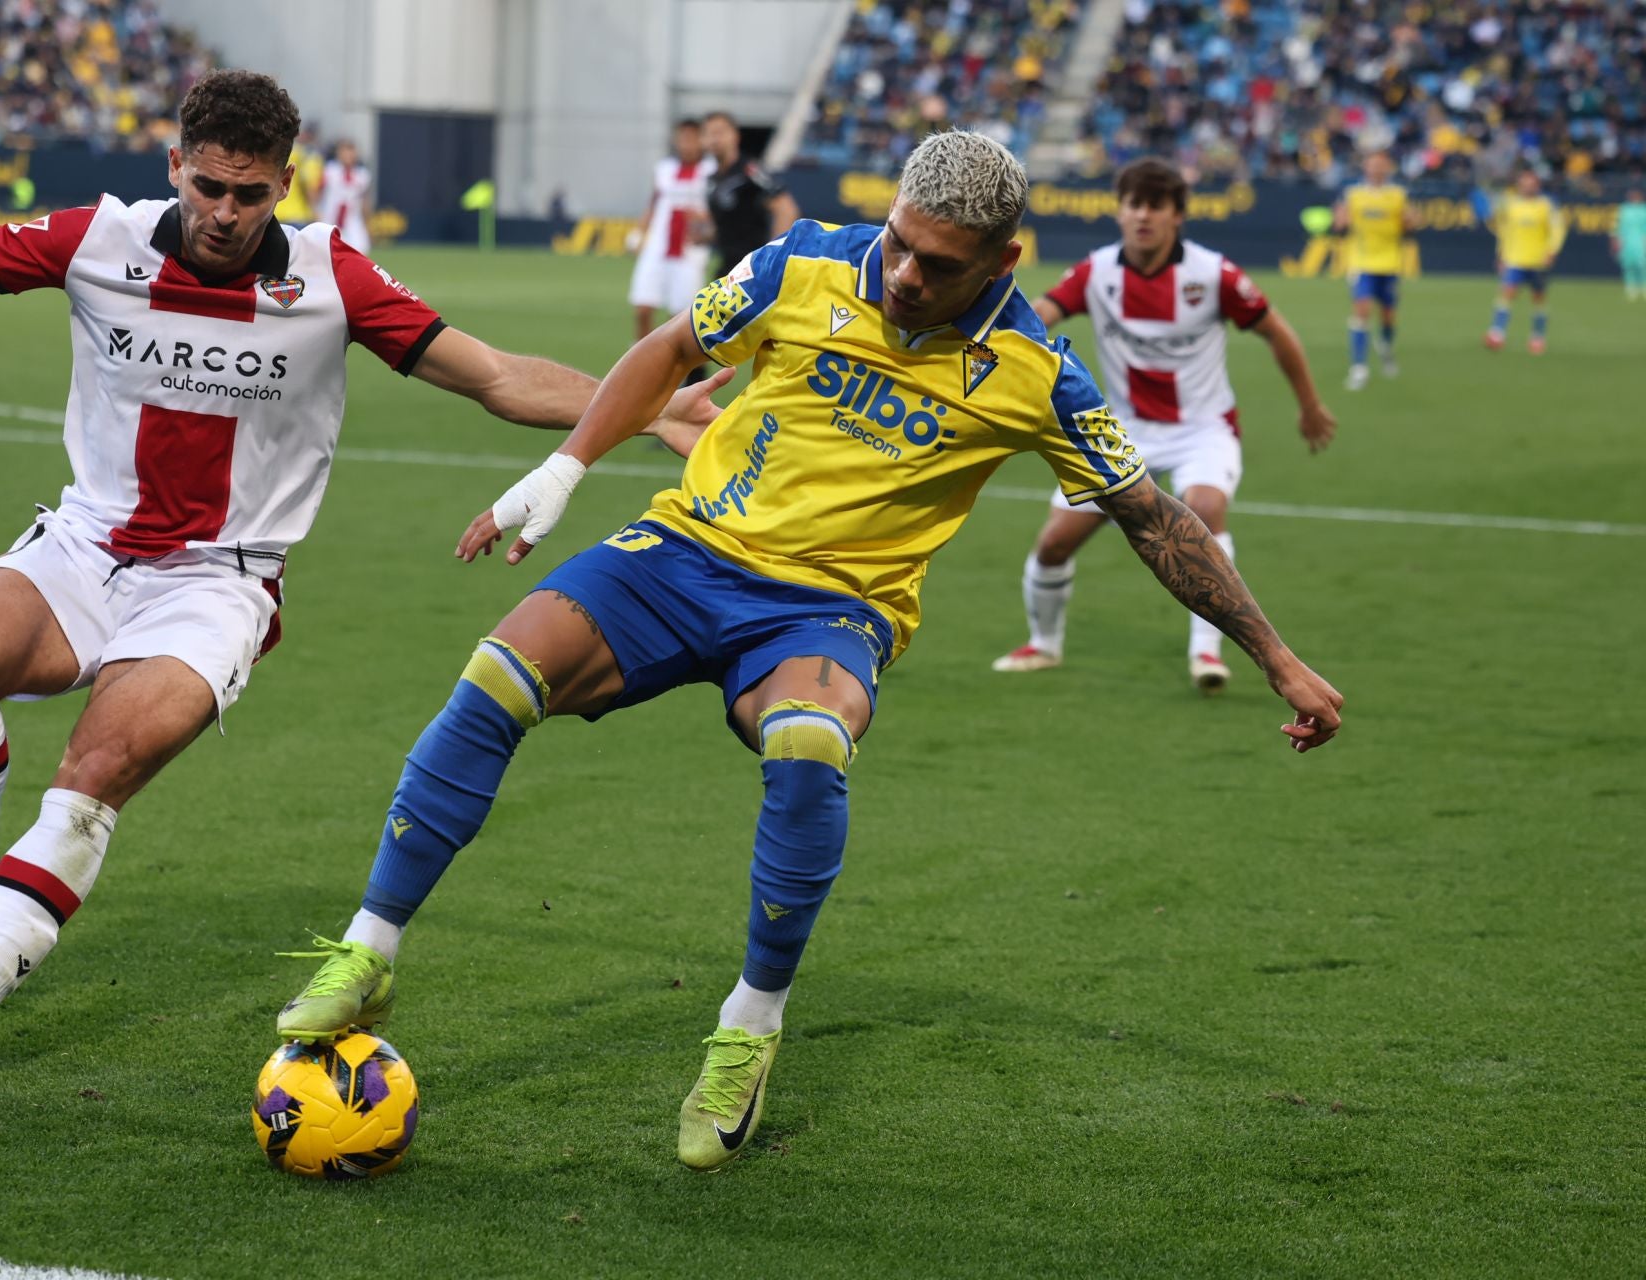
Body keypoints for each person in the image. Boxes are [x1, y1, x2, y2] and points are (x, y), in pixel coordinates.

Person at [275, 133, 1344, 1172]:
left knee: (808, 741)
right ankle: (371, 949)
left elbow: (1156, 519)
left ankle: (748, 1027)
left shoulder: (1038, 372)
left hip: (832, 608)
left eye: (940, 263)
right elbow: (672, 350)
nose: (905, 274)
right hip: (689, 550)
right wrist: (564, 468)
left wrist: (1278, 657)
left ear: (1004, 263)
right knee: (501, 667)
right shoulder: (805, 261)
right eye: (898, 242)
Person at [0, 69, 723, 1095]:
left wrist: (644, 410)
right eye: (208, 187)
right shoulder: (99, 240)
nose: (225, 213)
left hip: (217, 583)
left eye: (250, 195)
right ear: (175, 167)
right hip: (86, 544)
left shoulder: (331, 279)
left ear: (285, 184)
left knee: (91, 776)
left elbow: (495, 374)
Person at [993, 158, 1336, 693]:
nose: (1143, 216)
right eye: (1134, 204)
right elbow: (1038, 317)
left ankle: (1207, 653)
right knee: (1054, 544)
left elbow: (1277, 333)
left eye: (1156, 206)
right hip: (1121, 431)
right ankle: (1044, 644)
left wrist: (1310, 405)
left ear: (1178, 216)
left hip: (1202, 428)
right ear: (1120, 211)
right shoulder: (1096, 272)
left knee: (1204, 509)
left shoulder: (1212, 274)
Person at [1335, 150, 1418, 390]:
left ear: (1387, 168)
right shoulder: (1354, 194)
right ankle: (1359, 367)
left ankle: (1386, 347)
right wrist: (1339, 219)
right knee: (1361, 311)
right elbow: (1341, 222)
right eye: (1372, 165)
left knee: (1388, 316)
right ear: (1365, 168)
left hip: (1390, 262)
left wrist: (1411, 219)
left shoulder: (1397, 195)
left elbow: (1408, 225)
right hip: (1361, 262)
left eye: (1380, 165)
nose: (1376, 170)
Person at [628, 118, 713, 340]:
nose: (687, 144)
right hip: (658, 246)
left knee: (679, 316)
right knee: (643, 307)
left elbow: (716, 211)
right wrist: (639, 234)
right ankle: (639, 357)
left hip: (690, 251)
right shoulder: (664, 169)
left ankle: (670, 364)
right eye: (683, 138)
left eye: (692, 138)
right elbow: (654, 203)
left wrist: (703, 219)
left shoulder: (710, 171)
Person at [702, 111, 799, 276]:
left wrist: (774, 256)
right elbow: (725, 226)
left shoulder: (750, 171)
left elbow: (786, 208)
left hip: (752, 267)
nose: (715, 139)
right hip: (726, 265)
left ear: (735, 136)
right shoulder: (712, 179)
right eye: (709, 134)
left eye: (720, 132)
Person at [1485, 170, 1567, 353]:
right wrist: (1501, 256)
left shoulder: (1545, 206)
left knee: (1538, 298)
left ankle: (1537, 337)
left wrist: (1552, 251)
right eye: (1523, 184)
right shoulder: (1511, 205)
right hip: (1515, 258)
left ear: (1537, 185)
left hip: (1538, 259)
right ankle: (1497, 334)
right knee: (1507, 293)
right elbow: (1505, 233)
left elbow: (1557, 229)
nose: (1527, 187)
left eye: (1531, 184)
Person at [316, 138, 373, 252]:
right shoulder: (329, 170)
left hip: (352, 222)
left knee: (359, 251)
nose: (348, 155)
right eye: (345, 151)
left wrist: (368, 224)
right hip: (330, 220)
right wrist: (316, 212)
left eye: (351, 152)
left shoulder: (362, 175)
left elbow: (365, 201)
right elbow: (317, 192)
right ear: (339, 153)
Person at [274, 122, 323, 226]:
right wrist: (316, 212)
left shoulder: (283, 153)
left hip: (275, 212)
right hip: (297, 215)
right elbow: (309, 186)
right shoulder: (309, 156)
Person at [1613, 188, 1646, 302]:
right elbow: (1618, 228)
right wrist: (1617, 241)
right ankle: (1631, 288)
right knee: (1628, 265)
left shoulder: (1644, 210)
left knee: (1642, 265)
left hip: (1641, 241)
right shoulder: (1624, 209)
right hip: (1627, 242)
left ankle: (1644, 287)